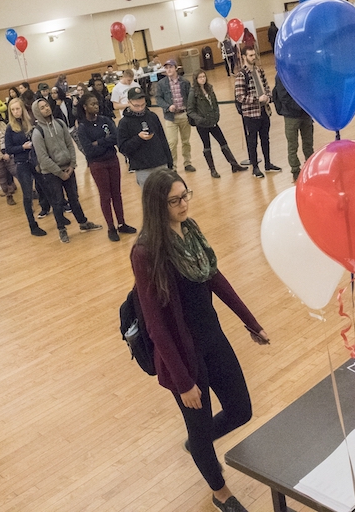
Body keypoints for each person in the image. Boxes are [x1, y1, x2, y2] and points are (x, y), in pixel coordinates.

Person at [131, 169, 268, 512]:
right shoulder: (146, 252)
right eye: (174, 200)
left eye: (185, 195)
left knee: (240, 410)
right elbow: (155, 326)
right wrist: (183, 382)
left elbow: (215, 277)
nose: (183, 204)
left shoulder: (191, 233)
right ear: (157, 206)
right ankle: (220, 493)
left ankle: (198, 443)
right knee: (200, 424)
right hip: (182, 356)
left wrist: (251, 322)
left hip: (213, 340)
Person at [31, 99, 101, 244]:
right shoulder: (37, 133)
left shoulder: (60, 123)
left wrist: (72, 165)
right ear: (37, 112)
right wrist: (59, 173)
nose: (46, 109)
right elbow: (43, 158)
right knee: (57, 202)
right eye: (42, 108)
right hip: (51, 173)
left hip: (68, 168)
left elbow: (70, 144)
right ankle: (62, 230)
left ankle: (83, 223)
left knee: (74, 198)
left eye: (47, 106)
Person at [76, 92, 136, 242]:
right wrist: (105, 142)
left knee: (117, 193)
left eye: (97, 103)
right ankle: (111, 227)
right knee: (105, 195)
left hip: (113, 160)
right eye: (92, 104)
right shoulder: (82, 127)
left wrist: (99, 142)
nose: (96, 106)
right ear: (85, 107)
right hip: (97, 164)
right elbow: (89, 150)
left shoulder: (106, 120)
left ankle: (122, 223)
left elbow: (115, 138)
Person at [187, 69, 245, 178]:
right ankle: (212, 170)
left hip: (213, 122)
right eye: (200, 77)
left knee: (223, 142)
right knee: (207, 146)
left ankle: (234, 164)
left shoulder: (210, 88)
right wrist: (200, 119)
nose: (202, 79)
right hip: (202, 124)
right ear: (196, 79)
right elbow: (190, 110)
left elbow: (215, 104)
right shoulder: (193, 92)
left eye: (204, 76)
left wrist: (217, 115)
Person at [234, 47, 280, 178]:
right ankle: (255, 167)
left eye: (254, 55)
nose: (253, 57)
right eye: (250, 55)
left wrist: (268, 97)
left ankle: (268, 163)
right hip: (251, 114)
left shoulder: (259, 70)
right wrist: (256, 99)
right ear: (244, 56)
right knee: (252, 141)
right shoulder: (241, 74)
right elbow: (240, 96)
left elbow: (266, 86)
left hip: (264, 111)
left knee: (265, 138)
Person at [3, 98, 46, 236]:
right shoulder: (10, 128)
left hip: (34, 160)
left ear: (22, 109)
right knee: (27, 195)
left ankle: (57, 214)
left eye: (18, 108)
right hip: (22, 164)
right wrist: (22, 147)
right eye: (13, 109)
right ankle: (32, 226)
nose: (16, 112)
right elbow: (9, 149)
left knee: (46, 187)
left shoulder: (30, 124)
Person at [118, 87, 173, 188]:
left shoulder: (152, 116)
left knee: (166, 197)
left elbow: (163, 140)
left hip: (161, 164)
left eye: (143, 104)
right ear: (129, 102)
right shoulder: (124, 123)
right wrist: (138, 138)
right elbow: (123, 148)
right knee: (150, 201)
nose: (140, 108)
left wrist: (170, 162)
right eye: (136, 105)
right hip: (143, 168)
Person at [156, 59, 196, 173]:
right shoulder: (162, 84)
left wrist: (190, 110)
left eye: (170, 67)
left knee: (186, 141)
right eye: (166, 68)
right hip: (170, 117)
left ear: (176, 68)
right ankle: (172, 167)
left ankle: (187, 163)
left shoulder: (184, 82)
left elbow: (190, 97)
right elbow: (158, 98)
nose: (168, 70)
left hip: (184, 115)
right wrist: (168, 106)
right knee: (172, 142)